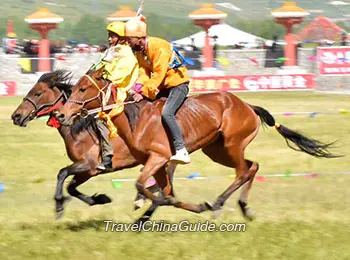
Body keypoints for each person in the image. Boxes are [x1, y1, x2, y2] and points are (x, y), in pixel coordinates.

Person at [125, 17, 191, 164]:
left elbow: (158, 74)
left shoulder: (159, 46)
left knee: (167, 113)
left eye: (129, 40)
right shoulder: (139, 52)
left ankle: (181, 150)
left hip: (177, 85)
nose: (128, 43)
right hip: (161, 86)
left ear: (140, 38)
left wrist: (142, 92)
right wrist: (137, 87)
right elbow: (143, 71)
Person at [94, 21, 139, 171]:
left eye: (113, 37)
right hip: (107, 90)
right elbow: (100, 69)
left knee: (101, 119)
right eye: (109, 36)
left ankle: (107, 156)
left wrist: (104, 78)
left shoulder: (126, 53)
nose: (109, 39)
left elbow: (118, 76)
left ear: (121, 38)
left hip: (121, 92)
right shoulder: (113, 51)